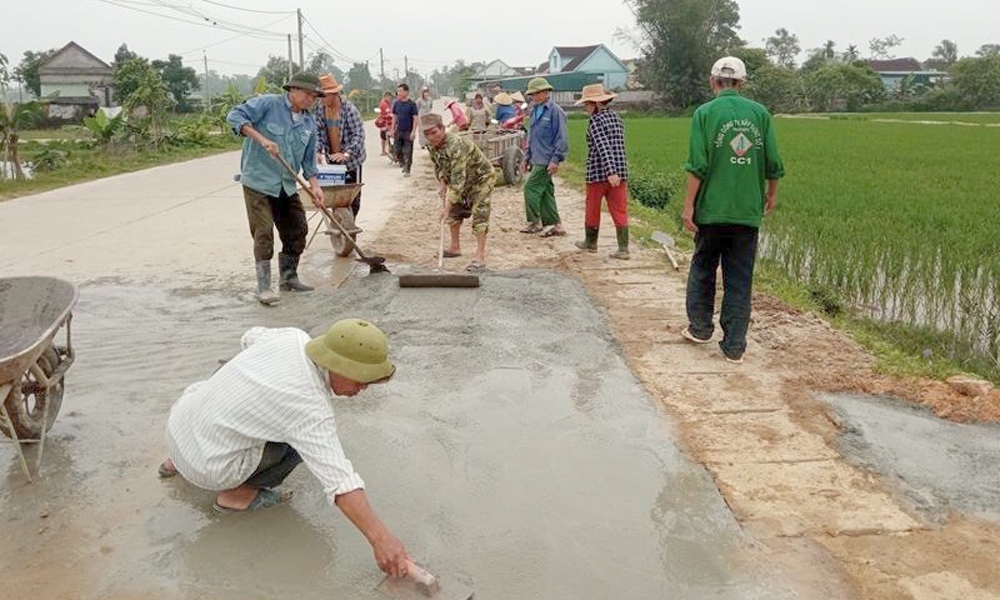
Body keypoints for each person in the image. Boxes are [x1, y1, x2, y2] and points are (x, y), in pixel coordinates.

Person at [159, 319, 413, 579]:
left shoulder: (291, 337)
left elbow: (249, 337)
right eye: (360, 380)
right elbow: (340, 481)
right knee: (300, 446)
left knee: (230, 373)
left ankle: (175, 462)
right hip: (209, 470)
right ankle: (236, 497)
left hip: (179, 428)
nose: (363, 389)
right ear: (337, 366)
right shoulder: (309, 409)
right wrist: (382, 540)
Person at [681, 56, 785, 364]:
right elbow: (773, 164)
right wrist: (771, 195)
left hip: (711, 210)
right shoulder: (760, 114)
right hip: (746, 211)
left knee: (703, 268)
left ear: (713, 82)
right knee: (740, 277)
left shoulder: (704, 113)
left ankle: (700, 328)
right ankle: (735, 346)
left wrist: (688, 207)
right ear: (741, 83)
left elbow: (697, 165)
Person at [227, 72, 326, 306]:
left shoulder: (309, 123)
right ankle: (264, 287)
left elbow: (309, 161)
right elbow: (235, 116)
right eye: (307, 94)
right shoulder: (268, 104)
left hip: (286, 184)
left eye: (314, 96)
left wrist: (315, 186)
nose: (310, 99)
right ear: (292, 90)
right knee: (263, 232)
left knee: (298, 228)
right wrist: (261, 139)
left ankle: (289, 278)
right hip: (258, 182)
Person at [423, 114, 496, 273]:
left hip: (480, 178)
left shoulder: (456, 145)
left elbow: (457, 180)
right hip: (461, 179)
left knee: (479, 213)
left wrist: (446, 208)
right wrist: (442, 181)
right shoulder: (432, 146)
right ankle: (455, 247)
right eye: (427, 134)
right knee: (455, 212)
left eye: (434, 132)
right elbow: (439, 166)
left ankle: (480, 256)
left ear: (442, 128)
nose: (431, 137)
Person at [574, 84, 631, 260]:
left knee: (592, 207)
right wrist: (615, 172)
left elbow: (603, 147)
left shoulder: (595, 120)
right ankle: (623, 248)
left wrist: (610, 171)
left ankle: (591, 242)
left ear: (595, 104)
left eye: (586, 104)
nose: (585, 107)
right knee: (620, 209)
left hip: (599, 172)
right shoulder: (616, 118)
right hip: (620, 172)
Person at [521, 77, 568, 237]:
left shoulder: (556, 112)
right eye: (532, 94)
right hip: (536, 158)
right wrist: (527, 156)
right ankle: (557, 225)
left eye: (536, 93)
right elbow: (531, 136)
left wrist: (556, 159)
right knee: (546, 192)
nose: (534, 97)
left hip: (546, 159)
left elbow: (561, 138)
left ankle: (535, 222)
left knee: (530, 188)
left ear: (545, 92)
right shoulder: (534, 110)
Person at [315, 74, 366, 216]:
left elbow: (359, 135)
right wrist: (318, 150)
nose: (321, 99)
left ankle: (350, 226)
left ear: (334, 94)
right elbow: (317, 131)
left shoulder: (350, 110)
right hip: (332, 158)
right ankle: (339, 220)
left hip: (351, 160)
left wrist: (346, 154)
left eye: (323, 96)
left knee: (352, 197)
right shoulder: (320, 109)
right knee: (335, 194)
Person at [391, 83, 419, 177]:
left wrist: (413, 131)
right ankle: (403, 163)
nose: (398, 93)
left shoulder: (412, 104)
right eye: (398, 91)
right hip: (399, 130)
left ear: (406, 92)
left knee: (408, 151)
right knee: (397, 150)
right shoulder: (396, 103)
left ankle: (408, 169)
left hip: (408, 131)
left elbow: (415, 118)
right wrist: (392, 129)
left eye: (400, 91)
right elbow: (394, 117)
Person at [376, 91, 394, 157]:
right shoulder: (384, 104)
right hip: (385, 122)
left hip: (385, 122)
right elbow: (388, 113)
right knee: (385, 136)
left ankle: (384, 151)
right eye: (390, 97)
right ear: (386, 96)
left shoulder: (387, 103)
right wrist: (392, 115)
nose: (391, 99)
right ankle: (387, 150)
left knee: (383, 137)